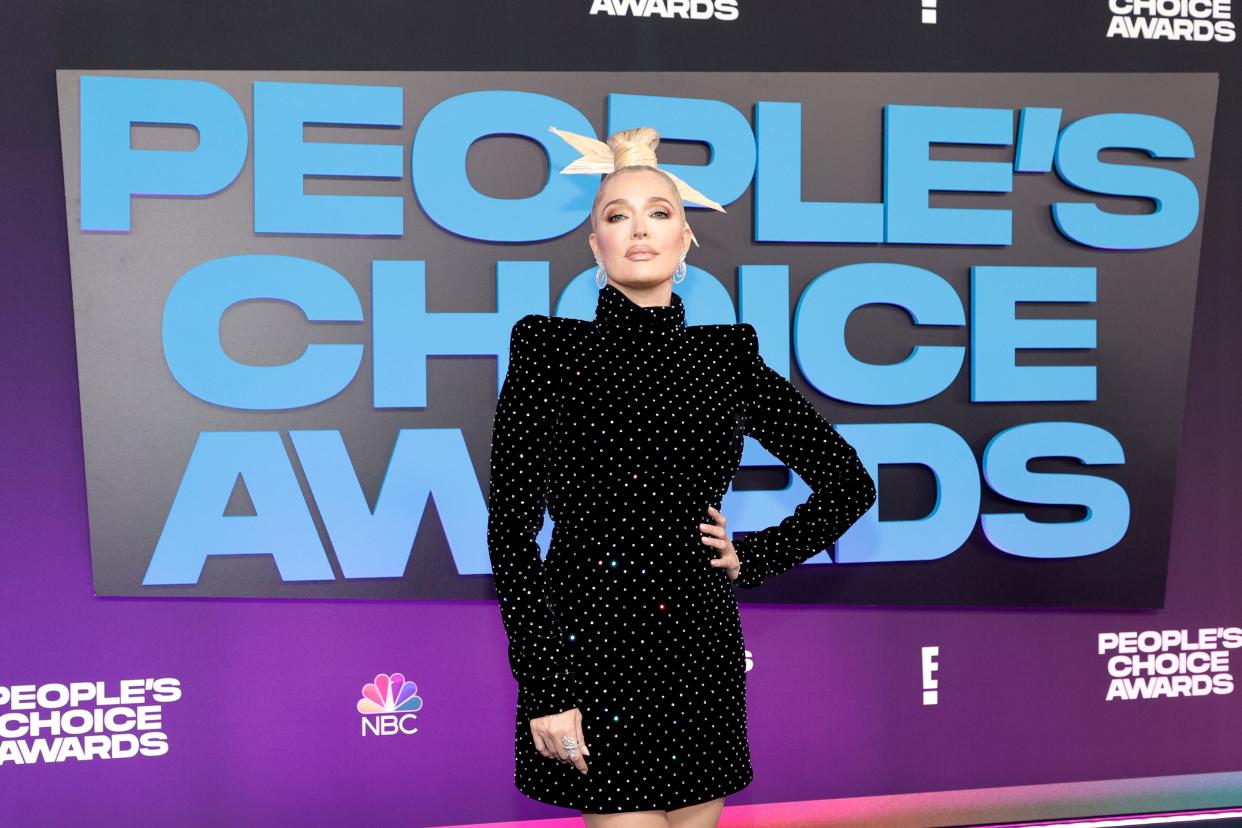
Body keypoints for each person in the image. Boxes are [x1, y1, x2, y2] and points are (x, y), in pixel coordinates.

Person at [486, 126, 877, 827]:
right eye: (617, 215)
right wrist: (544, 685)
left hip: (700, 648)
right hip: (588, 646)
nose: (639, 229)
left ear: (686, 240)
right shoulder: (545, 348)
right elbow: (510, 529)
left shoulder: (727, 357)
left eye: (659, 212)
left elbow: (848, 482)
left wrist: (753, 554)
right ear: (594, 246)